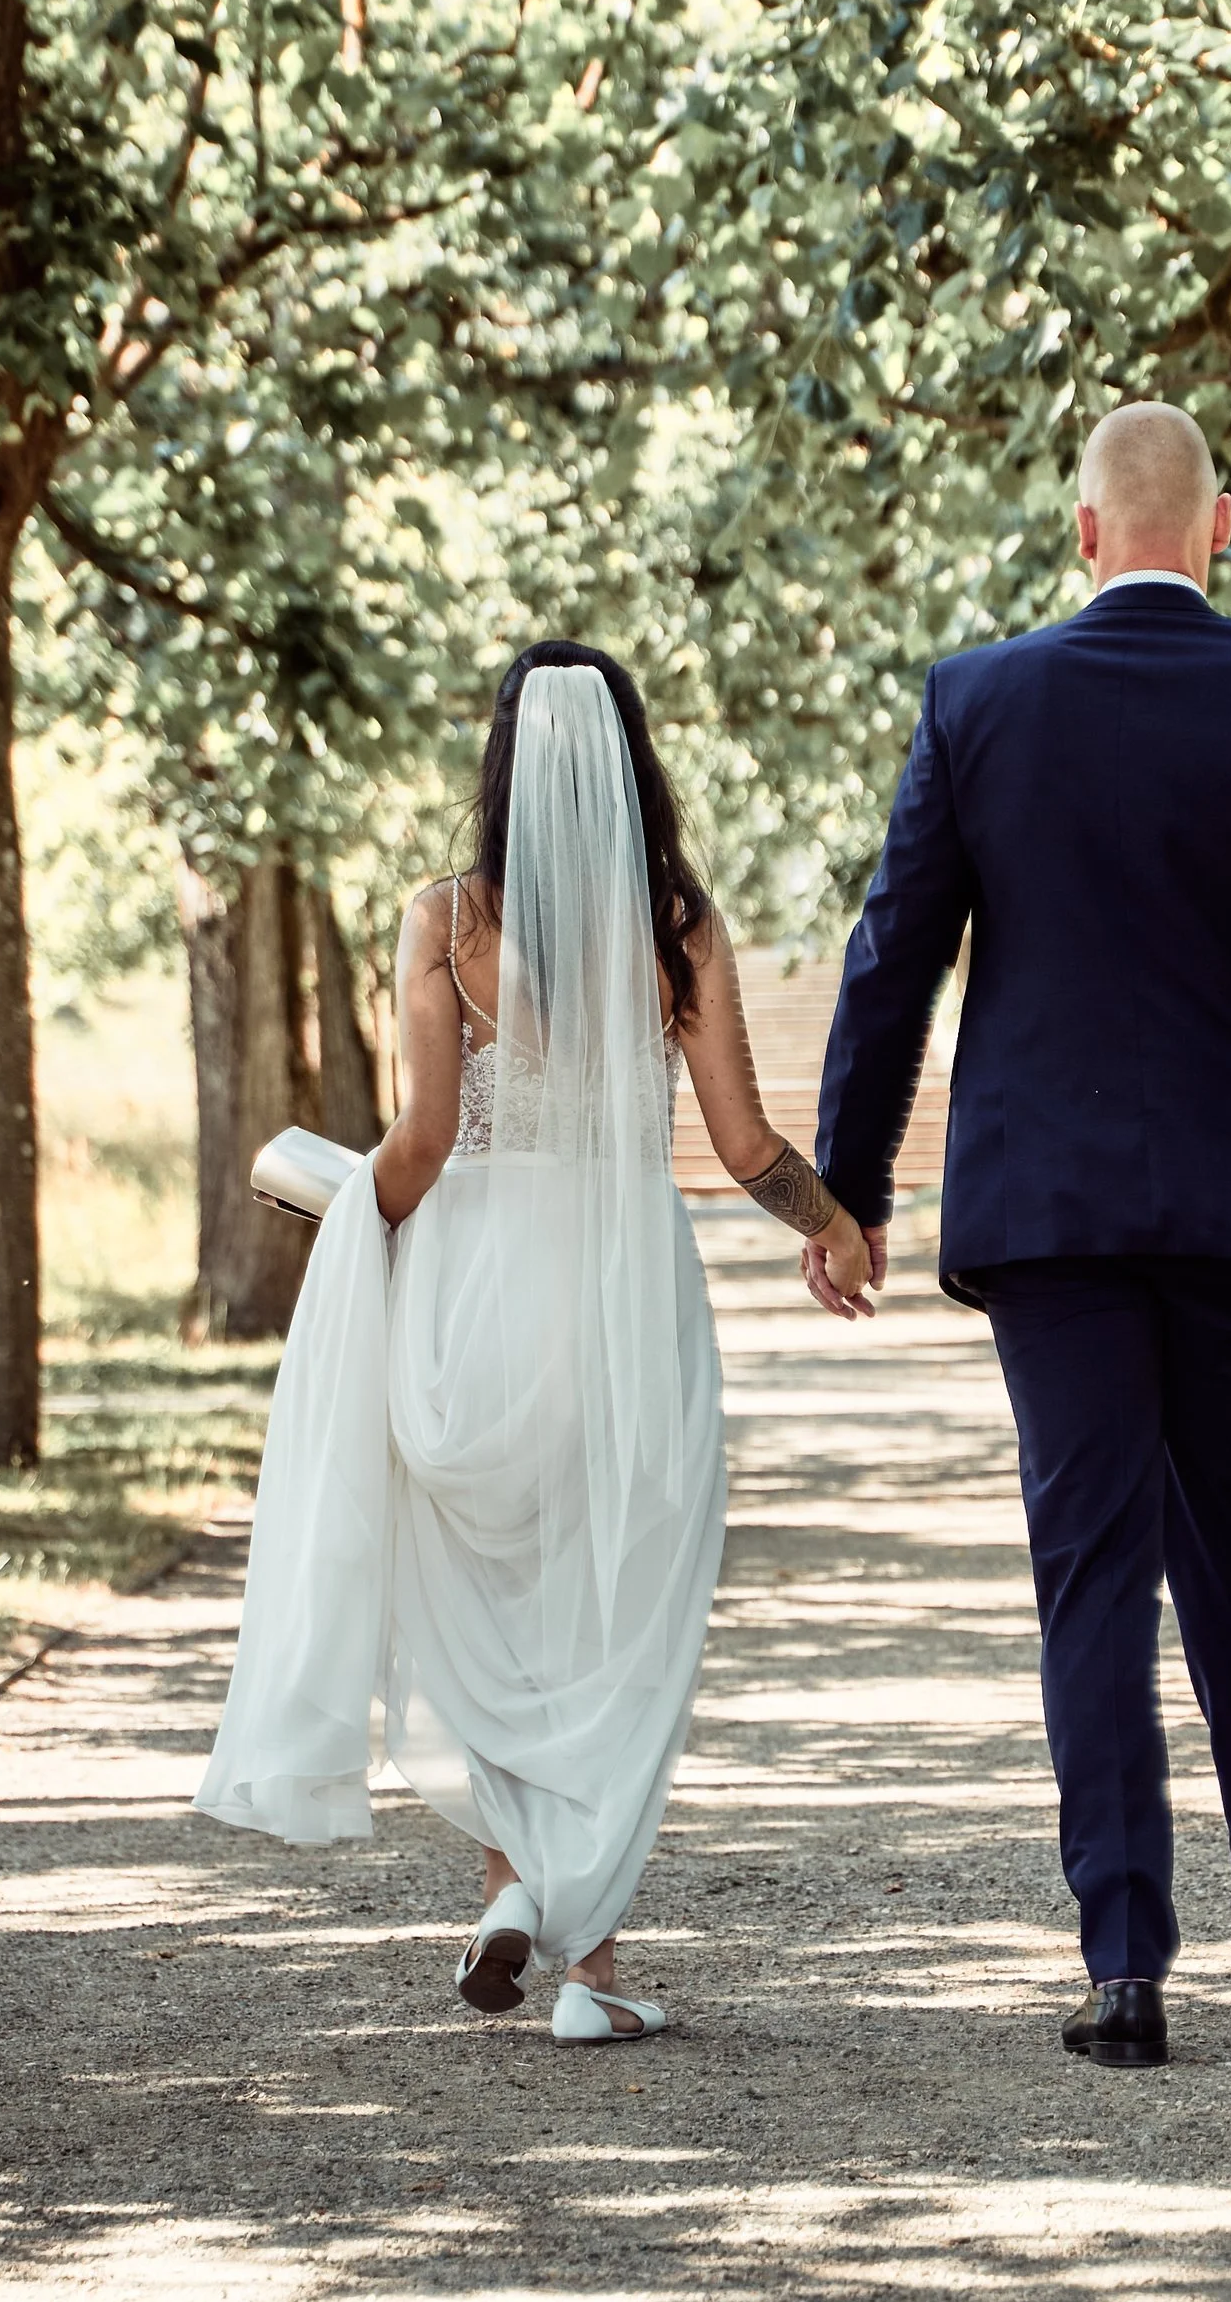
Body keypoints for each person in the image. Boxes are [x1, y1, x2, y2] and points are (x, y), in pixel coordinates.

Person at [808, 405, 1231, 2067]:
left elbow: (893, 959)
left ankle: (1123, 1966)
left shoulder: (979, 700)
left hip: (1052, 1213)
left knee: (1092, 1566)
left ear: (1084, 535)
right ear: (1216, 529)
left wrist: (846, 1188)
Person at [195, 643, 874, 2043]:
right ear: (629, 759)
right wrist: (833, 1221)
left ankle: (517, 1893)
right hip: (623, 1304)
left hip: (472, 1299)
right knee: (611, 1617)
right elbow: (744, 1143)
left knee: (491, 1607)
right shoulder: (676, 927)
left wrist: (340, 1219)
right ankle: (589, 1959)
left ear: (504, 760)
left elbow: (426, 1142)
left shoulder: (444, 921)